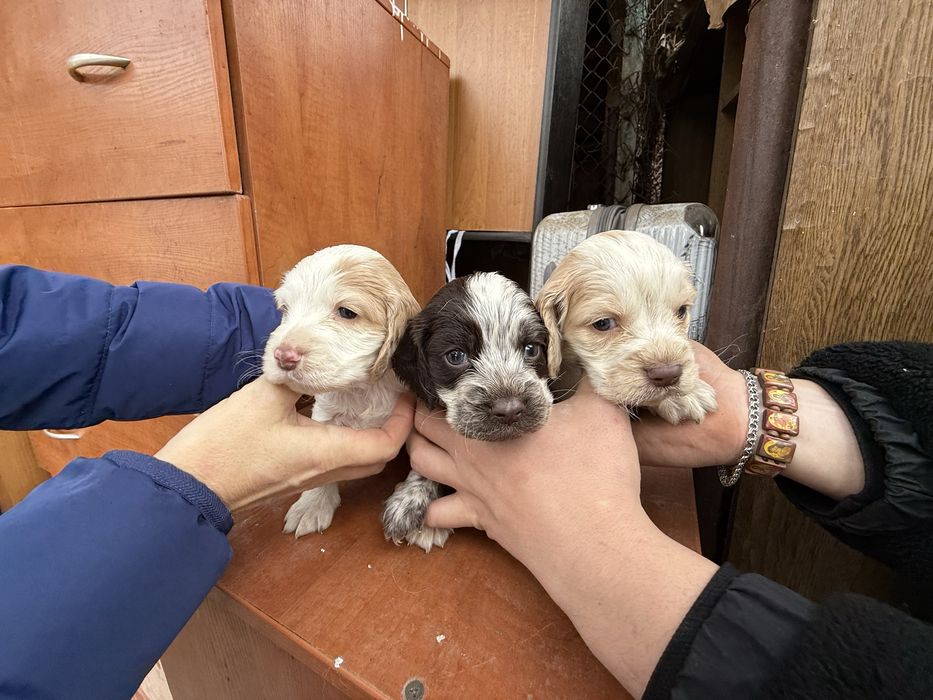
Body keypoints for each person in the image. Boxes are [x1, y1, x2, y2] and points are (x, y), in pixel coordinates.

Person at [0, 265, 930, 698]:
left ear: (546, 344)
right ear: (419, 362)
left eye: (530, 353)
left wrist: (746, 421)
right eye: (607, 325)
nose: (513, 386)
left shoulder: (551, 374)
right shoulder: (412, 373)